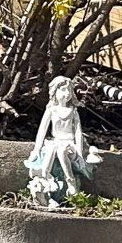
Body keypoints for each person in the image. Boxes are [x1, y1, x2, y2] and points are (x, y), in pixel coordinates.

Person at [23, 74, 99, 207]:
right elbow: (42, 130)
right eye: (63, 90)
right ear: (54, 91)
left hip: (69, 143)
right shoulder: (51, 110)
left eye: (69, 90)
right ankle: (46, 178)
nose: (67, 94)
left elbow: (78, 132)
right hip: (55, 141)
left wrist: (79, 152)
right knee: (52, 149)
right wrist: (36, 149)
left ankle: (70, 181)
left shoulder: (73, 111)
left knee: (62, 150)